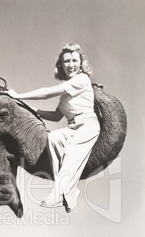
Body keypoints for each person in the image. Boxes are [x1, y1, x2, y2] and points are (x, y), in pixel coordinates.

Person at [7, 43, 100, 213]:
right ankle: (68, 191)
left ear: (80, 64)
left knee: (71, 152)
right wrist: (28, 108)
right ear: (61, 65)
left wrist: (18, 96)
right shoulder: (67, 93)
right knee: (53, 138)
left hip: (87, 125)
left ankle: (59, 193)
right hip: (72, 127)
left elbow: (47, 92)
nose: (70, 64)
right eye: (66, 61)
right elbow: (56, 117)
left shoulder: (81, 80)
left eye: (74, 60)